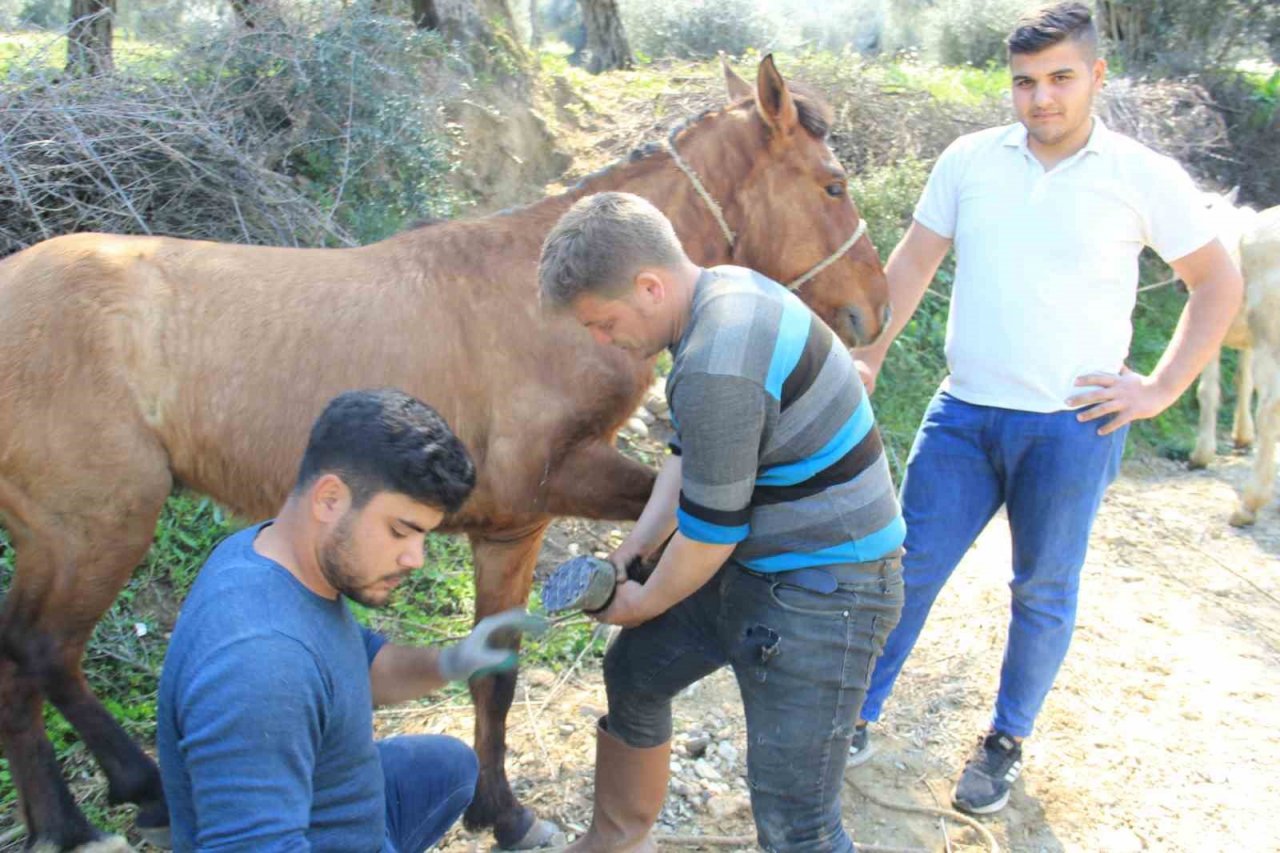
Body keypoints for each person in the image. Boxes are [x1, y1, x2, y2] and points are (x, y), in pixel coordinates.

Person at [848, 1, 1244, 816]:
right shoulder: (969, 160)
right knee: (904, 567)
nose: (1042, 99)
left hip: (1074, 427)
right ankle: (853, 713)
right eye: (1025, 82)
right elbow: (915, 259)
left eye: (1061, 78)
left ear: (1097, 76)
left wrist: (1160, 389)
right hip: (962, 414)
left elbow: (1218, 284)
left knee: (1043, 589)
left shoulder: (1143, 175)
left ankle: (1005, 739)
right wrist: (873, 353)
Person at [537, 191, 905, 852]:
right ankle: (617, 839)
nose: (602, 340)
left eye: (601, 321)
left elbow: (710, 533)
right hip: (755, 564)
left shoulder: (717, 358)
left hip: (831, 589)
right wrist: (633, 552)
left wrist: (644, 600)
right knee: (635, 675)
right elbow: (691, 457)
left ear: (649, 286)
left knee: (798, 826)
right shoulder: (715, 296)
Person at [156, 388, 546, 851]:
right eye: (400, 530)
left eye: (423, 536)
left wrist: (453, 661)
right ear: (329, 500)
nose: (415, 558)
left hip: (344, 811)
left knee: (450, 766)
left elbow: (357, 667)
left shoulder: (270, 557)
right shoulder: (261, 666)